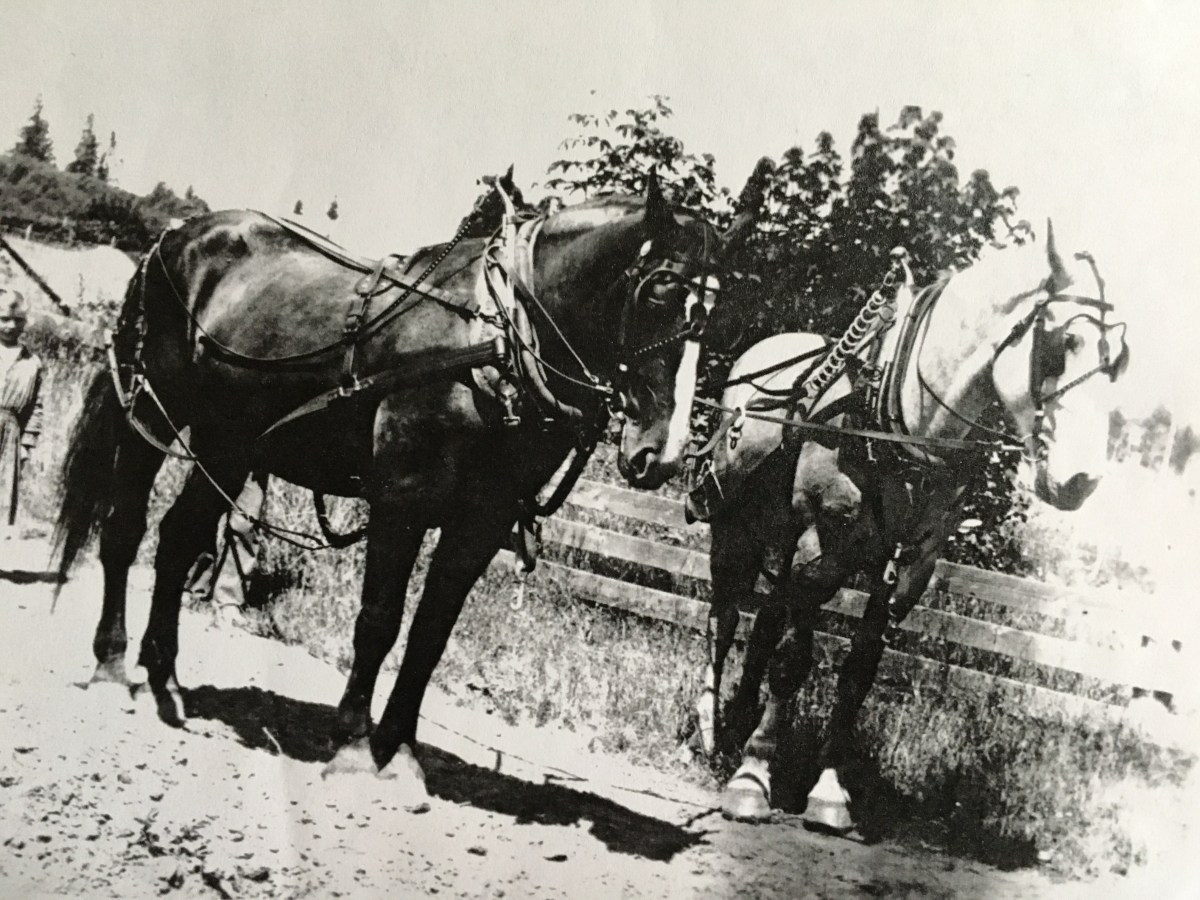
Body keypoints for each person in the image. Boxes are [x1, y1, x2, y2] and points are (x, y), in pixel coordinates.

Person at [184, 470, 270, 622]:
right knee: (203, 510)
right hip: (219, 454)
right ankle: (192, 586)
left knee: (246, 521)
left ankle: (228, 599)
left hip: (257, 459)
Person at [0, 288, 43, 539]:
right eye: (4, 319)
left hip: (11, 431)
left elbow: (36, 406)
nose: (10, 326)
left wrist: (27, 443)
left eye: (18, 320)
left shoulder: (32, 362)